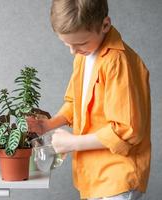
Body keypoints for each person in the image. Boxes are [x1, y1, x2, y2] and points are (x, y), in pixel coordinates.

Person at [26, 0, 151, 199]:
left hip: (117, 175)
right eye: (67, 44)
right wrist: (49, 124)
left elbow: (127, 130)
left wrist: (72, 143)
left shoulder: (117, 62)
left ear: (105, 25)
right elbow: (76, 102)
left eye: (80, 43)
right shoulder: (84, 55)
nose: (73, 51)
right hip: (94, 175)